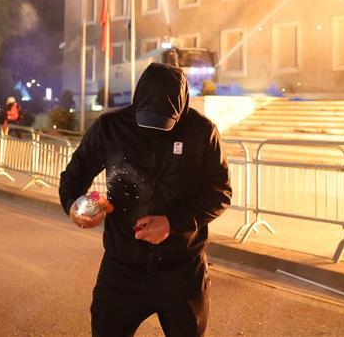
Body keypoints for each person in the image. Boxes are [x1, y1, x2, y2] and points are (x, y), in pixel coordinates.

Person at [59, 63, 232, 337]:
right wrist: (73, 205)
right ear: (137, 100)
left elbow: (221, 193)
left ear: (182, 105)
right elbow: (75, 173)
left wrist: (172, 223)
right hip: (122, 268)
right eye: (147, 117)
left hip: (182, 270)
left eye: (164, 121)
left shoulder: (202, 132)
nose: (154, 129)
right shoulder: (111, 127)